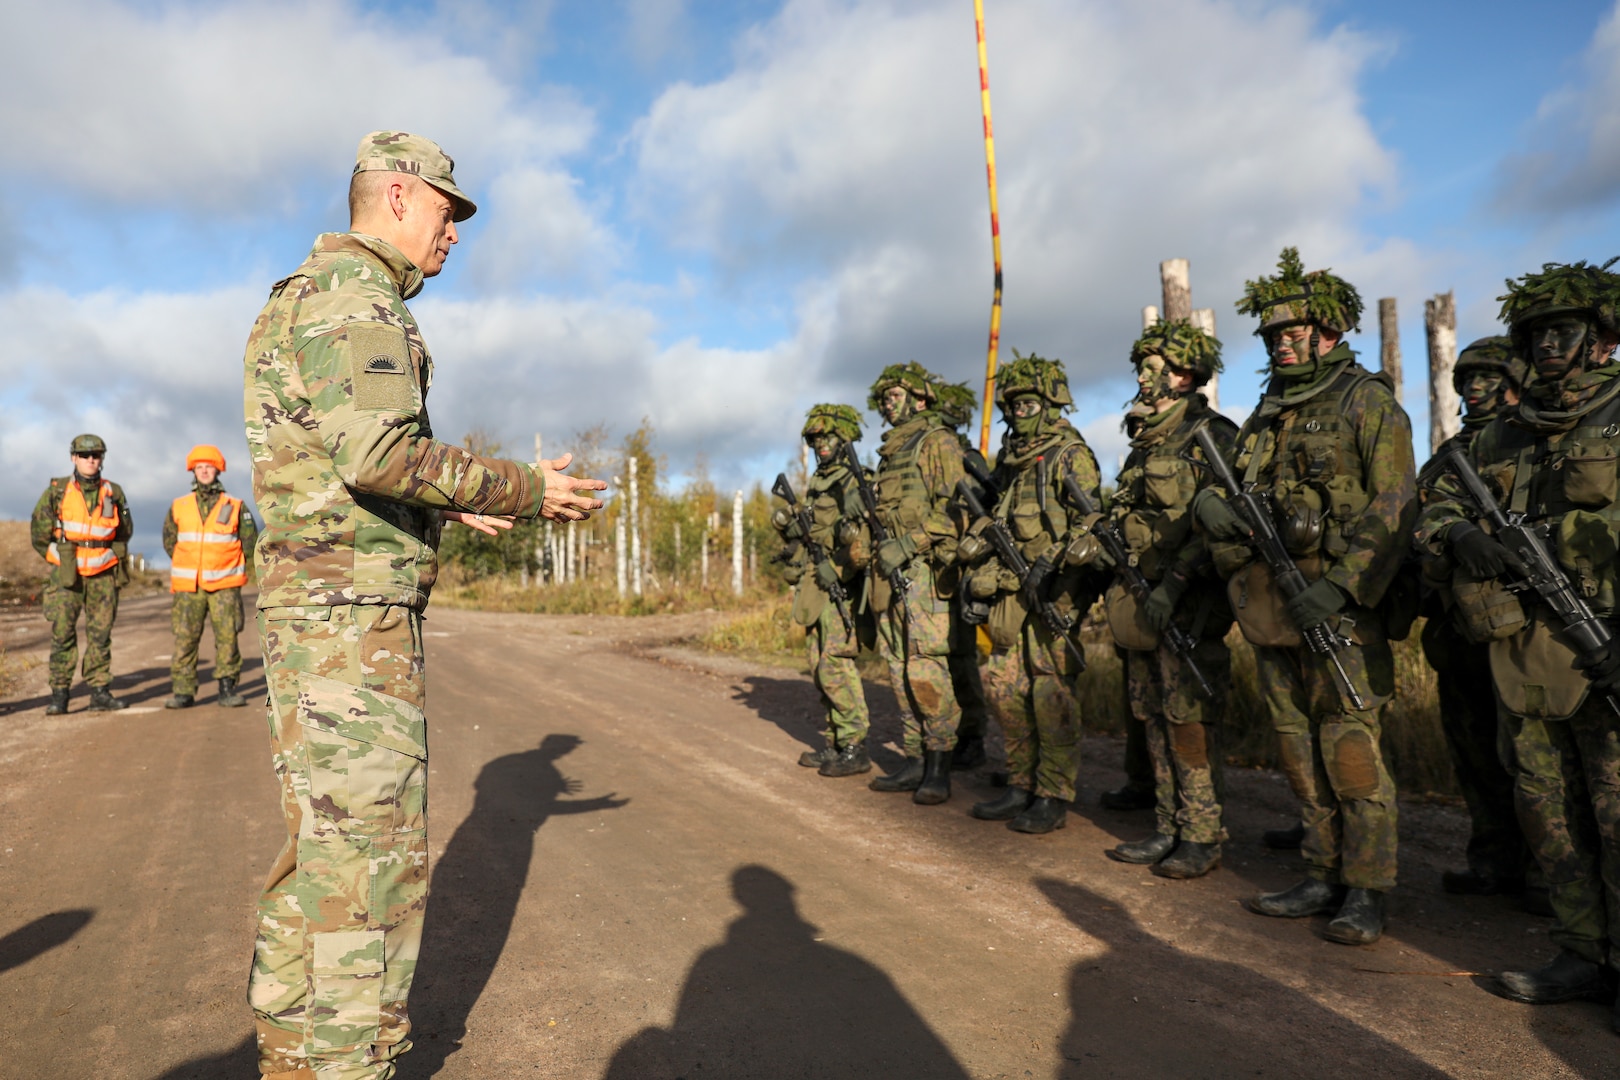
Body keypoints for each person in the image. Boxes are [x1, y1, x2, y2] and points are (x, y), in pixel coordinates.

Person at [242, 130, 606, 1080]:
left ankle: (291, 1056)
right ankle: (350, 1066)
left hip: (318, 608)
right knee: (368, 866)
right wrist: (520, 490)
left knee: (323, 853)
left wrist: (446, 508)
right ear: (398, 197)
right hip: (350, 623)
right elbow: (376, 454)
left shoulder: (309, 294)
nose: (455, 233)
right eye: (448, 211)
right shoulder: (357, 301)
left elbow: (344, 466)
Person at [1195, 248, 1416, 945]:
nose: (1281, 344)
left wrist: (1344, 586)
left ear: (1332, 331)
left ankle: (1367, 888)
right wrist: (1215, 511)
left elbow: (1396, 503)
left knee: (1350, 750)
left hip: (1337, 611)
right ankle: (1321, 871)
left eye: (1293, 332)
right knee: (1296, 748)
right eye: (1269, 336)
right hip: (1271, 607)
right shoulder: (1266, 412)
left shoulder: (1367, 402)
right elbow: (1227, 483)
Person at [1417, 260, 1620, 1017]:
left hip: (1605, 645)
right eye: (1535, 334)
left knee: (1615, 811)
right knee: (1547, 806)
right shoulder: (1500, 435)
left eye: (1563, 332)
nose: (1548, 347)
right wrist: (1462, 534)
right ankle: (1580, 950)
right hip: (1525, 648)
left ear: (1602, 339)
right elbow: (1430, 508)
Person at [1088, 320, 1236, 877]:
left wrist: (1175, 583)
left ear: (1185, 374)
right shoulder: (1145, 440)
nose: (1144, 378)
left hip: (1187, 604)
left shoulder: (1211, 434)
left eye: (1155, 368)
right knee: (1151, 715)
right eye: (1142, 367)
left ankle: (1202, 832)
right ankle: (1169, 824)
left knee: (1187, 718)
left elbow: (1220, 522)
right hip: (1140, 598)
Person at [1414, 337, 1540, 906]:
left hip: (1526, 629)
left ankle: (1546, 873)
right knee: (1472, 750)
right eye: (1468, 380)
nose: (1476, 389)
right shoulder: (1449, 454)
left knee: (1530, 757)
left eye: (1490, 379)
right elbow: (1420, 522)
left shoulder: (1533, 441)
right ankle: (1492, 860)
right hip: (1458, 626)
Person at [958, 353, 1100, 833]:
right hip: (1010, 592)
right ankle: (1020, 782)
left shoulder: (1069, 454)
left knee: (1050, 694)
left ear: (1051, 402)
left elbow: (1091, 527)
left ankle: (1053, 793)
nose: (1019, 412)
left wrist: (1053, 565)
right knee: (1003, 688)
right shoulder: (1013, 461)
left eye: (1029, 403)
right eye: (1013, 405)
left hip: (1053, 592)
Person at [864, 361, 968, 805]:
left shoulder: (936, 442)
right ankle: (913, 759)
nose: (888, 404)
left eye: (896, 395)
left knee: (926, 668)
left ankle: (940, 764)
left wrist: (909, 544)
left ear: (921, 399)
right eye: (883, 398)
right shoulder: (891, 452)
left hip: (923, 572)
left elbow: (959, 509)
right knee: (898, 667)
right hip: (889, 572)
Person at [771, 404, 875, 777]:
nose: (821, 444)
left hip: (841, 587)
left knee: (835, 665)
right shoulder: (820, 482)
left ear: (844, 437)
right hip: (817, 584)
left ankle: (854, 745)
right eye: (815, 439)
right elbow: (816, 530)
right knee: (818, 665)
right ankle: (835, 741)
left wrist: (840, 569)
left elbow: (863, 540)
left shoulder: (854, 481)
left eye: (827, 437)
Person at [30, 433, 133, 714]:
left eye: (96, 455)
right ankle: (60, 695)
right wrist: (58, 558)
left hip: (102, 575)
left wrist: (111, 557)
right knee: (62, 634)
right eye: (85, 455)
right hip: (67, 577)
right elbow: (39, 534)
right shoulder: (57, 491)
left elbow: (124, 532)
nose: (91, 460)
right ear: (73, 458)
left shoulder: (114, 491)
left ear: (102, 459)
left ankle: (99, 692)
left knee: (101, 635)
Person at [162, 444, 259, 709]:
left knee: (227, 638)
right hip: (188, 586)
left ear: (219, 470)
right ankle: (183, 691)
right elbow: (169, 542)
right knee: (185, 638)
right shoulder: (179, 506)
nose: (204, 471)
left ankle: (227, 689)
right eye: (200, 467)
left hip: (225, 585)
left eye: (209, 467)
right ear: (193, 470)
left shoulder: (236, 506)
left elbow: (250, 543)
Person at [931, 377, 992, 771]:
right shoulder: (933, 456)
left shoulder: (968, 458)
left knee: (963, 657)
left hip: (965, 567)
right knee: (945, 657)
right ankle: (953, 733)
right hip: (938, 568)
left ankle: (972, 737)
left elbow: (983, 509)